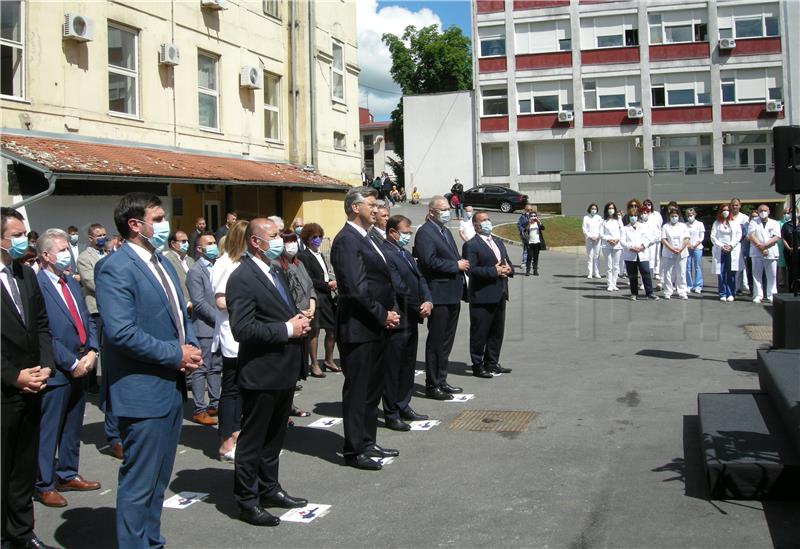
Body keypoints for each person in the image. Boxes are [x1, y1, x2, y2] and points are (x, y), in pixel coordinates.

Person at [95, 193, 202, 549]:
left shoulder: (162, 262)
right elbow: (121, 332)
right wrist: (175, 353)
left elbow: (176, 315)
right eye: (157, 219)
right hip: (141, 392)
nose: (165, 225)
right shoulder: (116, 266)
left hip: (170, 387)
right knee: (140, 481)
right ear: (135, 225)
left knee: (158, 480)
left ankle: (151, 541)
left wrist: (188, 349)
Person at [226, 218, 311, 526]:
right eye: (274, 236)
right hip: (261, 371)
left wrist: (297, 319)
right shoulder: (242, 277)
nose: (281, 241)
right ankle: (247, 501)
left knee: (275, 437)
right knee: (254, 439)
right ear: (255, 242)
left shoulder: (275, 270)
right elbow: (243, 328)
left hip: (284, 369)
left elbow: (278, 310)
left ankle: (269, 487)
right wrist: (287, 328)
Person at [330, 187, 400, 471]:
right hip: (359, 327)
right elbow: (356, 289)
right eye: (370, 204)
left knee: (373, 389)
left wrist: (389, 313)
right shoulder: (347, 241)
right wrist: (383, 314)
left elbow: (383, 281)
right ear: (354, 207)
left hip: (377, 326)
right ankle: (355, 449)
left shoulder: (369, 238)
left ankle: (368, 441)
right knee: (358, 390)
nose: (376, 209)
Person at [34, 229, 101, 508]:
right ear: (46, 255)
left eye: (66, 249)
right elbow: (45, 332)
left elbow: (86, 318)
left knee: (73, 424)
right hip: (60, 368)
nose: (66, 254)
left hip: (82, 362)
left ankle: (68, 473)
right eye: (60, 250)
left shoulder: (69, 282)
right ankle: (44, 483)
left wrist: (93, 351)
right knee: (51, 427)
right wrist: (71, 363)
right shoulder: (37, 285)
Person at [1, 207, 56, 549]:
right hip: (6, 387)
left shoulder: (25, 274)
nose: (24, 240)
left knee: (23, 468)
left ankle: (21, 532)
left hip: (34, 383)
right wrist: (13, 376)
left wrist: (46, 364)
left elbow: (41, 325)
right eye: (17, 234)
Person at [379, 215, 432, 431]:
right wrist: (418, 305)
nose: (408, 236)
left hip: (412, 317)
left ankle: (404, 404)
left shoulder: (406, 254)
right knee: (393, 368)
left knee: (408, 364)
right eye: (405, 232)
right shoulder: (386, 253)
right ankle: (391, 412)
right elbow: (398, 287)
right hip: (399, 317)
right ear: (392, 232)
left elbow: (420, 279)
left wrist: (428, 300)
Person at [414, 196, 468, 401]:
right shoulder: (426, 232)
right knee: (436, 341)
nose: (448, 212)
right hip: (438, 294)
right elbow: (429, 261)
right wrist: (456, 266)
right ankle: (432, 384)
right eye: (443, 209)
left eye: (449, 208)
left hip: (452, 293)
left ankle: (441, 380)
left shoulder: (444, 231)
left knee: (446, 341)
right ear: (432, 212)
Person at [211, 220, 249, 462]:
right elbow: (220, 300)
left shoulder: (244, 262)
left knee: (244, 388)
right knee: (232, 388)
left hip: (247, 332)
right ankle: (226, 441)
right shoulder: (224, 263)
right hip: (231, 333)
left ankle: (238, 432)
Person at [77, 224, 116, 443]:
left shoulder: (109, 252)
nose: (102, 238)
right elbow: (90, 281)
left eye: (104, 235)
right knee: (98, 347)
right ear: (90, 237)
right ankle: (91, 382)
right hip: (95, 307)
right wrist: (112, 285)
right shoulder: (85, 257)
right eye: (98, 235)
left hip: (109, 307)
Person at [463, 211, 513, 379]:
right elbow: (471, 270)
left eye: (488, 219)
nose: (487, 222)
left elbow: (506, 261)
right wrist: (494, 271)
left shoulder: (498, 241)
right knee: (480, 332)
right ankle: (478, 364)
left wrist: (508, 269)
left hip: (500, 293)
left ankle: (492, 362)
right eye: (483, 220)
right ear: (476, 226)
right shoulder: (471, 245)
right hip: (482, 295)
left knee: (496, 332)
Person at [185, 232, 222, 426]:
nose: (213, 246)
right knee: (201, 368)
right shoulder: (195, 271)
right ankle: (199, 409)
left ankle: (215, 403)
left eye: (214, 242)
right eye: (209, 243)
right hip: (205, 327)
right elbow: (198, 303)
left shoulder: (218, 267)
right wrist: (220, 319)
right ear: (199, 249)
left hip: (218, 328)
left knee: (216, 367)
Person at [278, 231, 315, 418]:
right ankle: (284, 408)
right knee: (287, 368)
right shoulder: (278, 266)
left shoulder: (299, 263)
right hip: (292, 321)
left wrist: (312, 306)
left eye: (294, 241)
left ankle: (289, 404)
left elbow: (309, 288)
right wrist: (299, 313)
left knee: (296, 369)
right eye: (288, 242)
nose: (291, 245)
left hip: (306, 317)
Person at [297, 224, 340, 378]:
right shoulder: (304, 256)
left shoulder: (319, 254)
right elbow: (309, 279)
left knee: (332, 329)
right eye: (314, 237)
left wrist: (331, 283)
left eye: (319, 236)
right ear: (307, 239)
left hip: (327, 296)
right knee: (314, 331)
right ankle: (314, 364)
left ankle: (329, 359)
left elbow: (324, 274)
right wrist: (326, 285)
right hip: (316, 297)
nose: (318, 240)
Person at [620, 205, 659, 301]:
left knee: (646, 273)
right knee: (632, 275)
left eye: (635, 216)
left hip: (642, 253)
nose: (633, 217)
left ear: (638, 217)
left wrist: (642, 247)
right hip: (630, 254)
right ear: (629, 217)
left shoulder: (643, 227)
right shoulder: (625, 229)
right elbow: (622, 241)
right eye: (631, 216)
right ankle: (634, 293)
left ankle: (650, 293)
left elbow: (648, 238)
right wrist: (631, 247)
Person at [748, 204, 781, 304]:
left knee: (772, 275)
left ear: (769, 211)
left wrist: (765, 245)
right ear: (758, 212)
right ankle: (758, 294)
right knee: (756, 274)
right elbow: (751, 235)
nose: (763, 212)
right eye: (761, 210)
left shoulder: (774, 223)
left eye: (765, 210)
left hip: (771, 251)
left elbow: (776, 237)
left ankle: (771, 294)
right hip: (757, 251)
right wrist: (760, 247)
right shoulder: (753, 222)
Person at [711, 203, 742, 302]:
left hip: (732, 249)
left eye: (727, 210)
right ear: (720, 211)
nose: (725, 212)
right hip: (720, 250)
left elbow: (738, 235)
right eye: (723, 210)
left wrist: (731, 245)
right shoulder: (716, 223)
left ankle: (731, 293)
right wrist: (721, 245)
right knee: (721, 272)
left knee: (731, 272)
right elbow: (713, 237)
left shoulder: (735, 222)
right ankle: (722, 293)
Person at [660, 208, 690, 300]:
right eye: (672, 216)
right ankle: (668, 291)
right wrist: (672, 248)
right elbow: (663, 239)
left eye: (676, 216)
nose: (674, 217)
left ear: (679, 216)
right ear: (669, 217)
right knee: (668, 273)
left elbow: (687, 238)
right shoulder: (665, 226)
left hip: (682, 252)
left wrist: (681, 248)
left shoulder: (683, 226)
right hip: (668, 252)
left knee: (681, 273)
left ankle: (682, 291)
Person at [163, 230, 195, 308]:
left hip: (196, 306)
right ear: (173, 244)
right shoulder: (166, 260)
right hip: (181, 307)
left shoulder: (190, 260)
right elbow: (169, 286)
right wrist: (187, 304)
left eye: (187, 241)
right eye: (183, 241)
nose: (186, 244)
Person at [600, 202, 623, 292]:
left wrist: (617, 240)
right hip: (606, 245)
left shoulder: (618, 220)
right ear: (606, 210)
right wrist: (609, 240)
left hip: (617, 245)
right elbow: (601, 234)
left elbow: (622, 231)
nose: (611, 210)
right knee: (609, 266)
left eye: (612, 208)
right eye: (609, 208)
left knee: (616, 266)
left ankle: (614, 283)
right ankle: (610, 284)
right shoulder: (603, 221)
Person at [730, 198, 751, 295]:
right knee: (730, 267)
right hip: (729, 245)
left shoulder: (744, 218)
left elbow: (746, 232)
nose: (735, 207)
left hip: (741, 245)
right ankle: (731, 287)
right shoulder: (728, 217)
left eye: (736, 205)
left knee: (740, 266)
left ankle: (739, 288)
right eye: (733, 205)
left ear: (740, 205)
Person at [684, 208, 705, 294]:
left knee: (697, 267)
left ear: (695, 214)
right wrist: (688, 244)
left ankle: (698, 286)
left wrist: (695, 245)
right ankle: (689, 285)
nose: (690, 217)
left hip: (697, 247)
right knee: (687, 267)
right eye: (688, 215)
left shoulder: (700, 224)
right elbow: (684, 236)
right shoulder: (684, 225)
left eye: (691, 215)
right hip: (687, 247)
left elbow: (701, 237)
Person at [583, 203, 603, 279]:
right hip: (589, 239)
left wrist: (597, 236)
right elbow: (584, 229)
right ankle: (590, 273)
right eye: (592, 208)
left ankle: (597, 273)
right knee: (590, 256)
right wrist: (591, 237)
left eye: (595, 209)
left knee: (596, 256)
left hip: (597, 239)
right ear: (589, 209)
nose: (593, 210)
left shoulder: (599, 218)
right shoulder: (586, 218)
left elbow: (601, 228)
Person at [782, 205, 798, 293]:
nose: (791, 214)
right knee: (791, 270)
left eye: (793, 212)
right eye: (790, 212)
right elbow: (783, 238)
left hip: (799, 251)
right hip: (789, 251)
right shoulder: (786, 225)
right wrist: (789, 248)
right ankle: (791, 290)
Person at [525, 211, 545, 276]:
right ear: (529, 217)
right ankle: (527, 271)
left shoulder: (538, 224)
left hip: (537, 243)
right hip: (530, 243)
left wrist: (539, 221)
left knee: (536, 257)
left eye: (534, 216)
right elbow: (525, 230)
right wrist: (529, 223)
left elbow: (543, 228)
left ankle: (535, 270)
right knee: (529, 257)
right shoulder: (528, 223)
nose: (533, 217)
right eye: (532, 216)